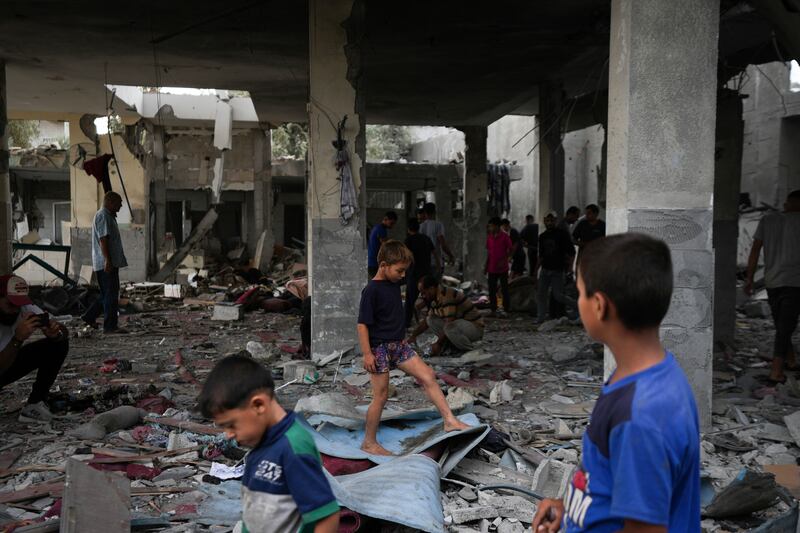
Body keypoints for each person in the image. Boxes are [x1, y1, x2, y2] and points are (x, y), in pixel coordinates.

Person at [532, 233, 700, 533]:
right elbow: (610, 476)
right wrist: (569, 508)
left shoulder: (641, 416)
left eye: (580, 291)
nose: (578, 298)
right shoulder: (643, 375)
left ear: (599, 306)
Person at [197, 356, 340, 533]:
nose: (228, 435)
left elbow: (327, 517)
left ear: (258, 405)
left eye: (231, 424)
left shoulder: (293, 447)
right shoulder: (262, 441)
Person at [357, 240, 469, 455]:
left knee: (428, 375)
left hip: (399, 346)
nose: (402, 275)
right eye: (399, 270)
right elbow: (362, 324)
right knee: (380, 395)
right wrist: (367, 354)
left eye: (404, 271)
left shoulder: (393, 283)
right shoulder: (371, 290)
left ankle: (449, 420)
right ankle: (369, 442)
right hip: (379, 348)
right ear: (383, 265)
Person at [745, 190, 800, 383]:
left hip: (772, 281)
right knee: (785, 327)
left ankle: (791, 361)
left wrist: (749, 278)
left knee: (782, 324)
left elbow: (755, 250)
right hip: (794, 282)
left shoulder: (768, 220)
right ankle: (776, 371)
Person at [0, 275, 69, 422]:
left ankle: (35, 403)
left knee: (57, 345)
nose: (15, 310)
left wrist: (55, 333)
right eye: (10, 305)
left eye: (18, 305)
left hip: (7, 363)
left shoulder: (23, 308)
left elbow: (63, 331)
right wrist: (17, 339)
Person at [81, 191, 128, 333]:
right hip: (106, 263)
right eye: (119, 204)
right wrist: (107, 260)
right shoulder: (103, 216)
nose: (120, 207)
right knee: (111, 296)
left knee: (107, 294)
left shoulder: (108, 216)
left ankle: (89, 316)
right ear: (111, 202)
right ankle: (110, 327)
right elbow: (103, 240)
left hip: (109, 262)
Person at [409, 274, 485, 355]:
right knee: (430, 319)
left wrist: (438, 343)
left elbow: (449, 323)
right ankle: (452, 346)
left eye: (424, 292)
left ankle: (469, 350)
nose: (423, 296)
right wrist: (413, 336)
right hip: (461, 326)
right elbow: (426, 322)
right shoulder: (435, 298)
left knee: (449, 327)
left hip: (475, 328)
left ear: (431, 288)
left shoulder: (447, 296)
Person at [537, 212, 576, 323]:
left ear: (555, 221)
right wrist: (536, 270)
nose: (549, 223)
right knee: (541, 294)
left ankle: (578, 306)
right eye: (547, 220)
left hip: (557, 270)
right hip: (545, 269)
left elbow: (572, 252)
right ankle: (540, 318)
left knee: (558, 295)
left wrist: (570, 268)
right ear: (544, 221)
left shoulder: (562, 235)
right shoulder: (543, 236)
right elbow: (541, 255)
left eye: (552, 220)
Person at [404, 218, 434, 328]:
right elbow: (433, 252)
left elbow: (408, 256)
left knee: (410, 299)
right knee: (429, 297)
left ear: (408, 229)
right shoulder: (426, 238)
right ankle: (432, 320)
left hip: (414, 273)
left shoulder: (409, 240)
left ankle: (407, 322)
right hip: (426, 271)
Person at [486, 217, 512, 315]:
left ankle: (506, 308)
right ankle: (493, 308)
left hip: (503, 268)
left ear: (497, 226)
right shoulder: (489, 237)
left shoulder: (505, 237)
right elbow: (489, 253)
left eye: (491, 226)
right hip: (492, 268)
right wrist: (486, 266)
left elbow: (511, 250)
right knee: (491, 289)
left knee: (504, 289)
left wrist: (505, 260)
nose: (490, 228)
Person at [420, 202, 455, 275]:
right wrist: (451, 256)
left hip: (423, 263)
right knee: (435, 285)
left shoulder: (420, 226)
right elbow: (442, 244)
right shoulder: (438, 225)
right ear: (435, 212)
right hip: (435, 262)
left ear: (424, 212)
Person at [367, 211, 398, 278]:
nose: (392, 226)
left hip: (372, 262)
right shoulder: (381, 230)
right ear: (386, 219)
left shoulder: (377, 228)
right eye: (391, 223)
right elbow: (385, 246)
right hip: (374, 263)